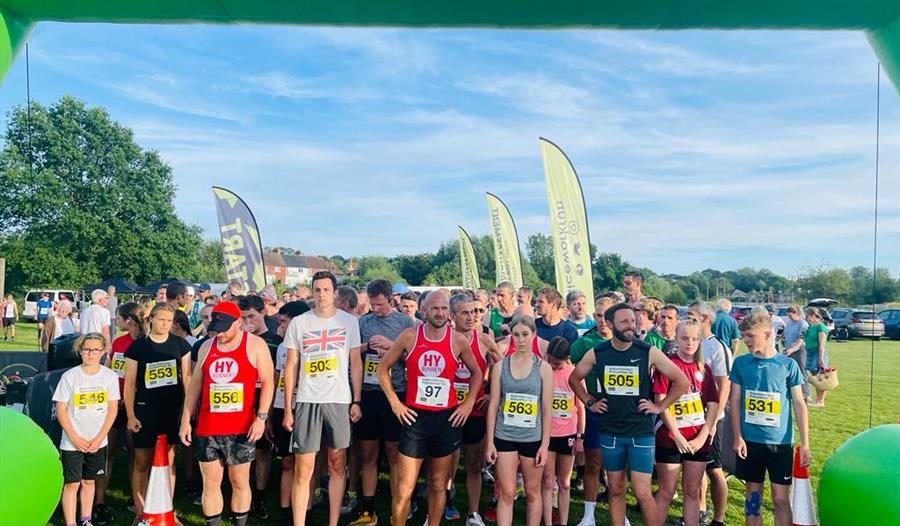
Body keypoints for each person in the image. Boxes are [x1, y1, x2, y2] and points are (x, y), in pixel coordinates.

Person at [568, 303, 689, 526]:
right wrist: (590, 402)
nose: (630, 326)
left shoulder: (647, 351)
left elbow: (681, 381)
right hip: (610, 430)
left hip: (640, 431)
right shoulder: (598, 352)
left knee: (642, 491)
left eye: (633, 321)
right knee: (615, 488)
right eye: (624, 322)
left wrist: (659, 407)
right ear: (611, 323)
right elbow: (574, 379)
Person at [376, 290, 483, 526]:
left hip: (446, 419)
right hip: (415, 417)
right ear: (424, 310)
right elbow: (382, 369)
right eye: (435, 308)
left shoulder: (458, 340)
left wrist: (467, 405)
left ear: (450, 312)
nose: (440, 313)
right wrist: (395, 402)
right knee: (405, 487)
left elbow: (477, 372)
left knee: (437, 483)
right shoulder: (409, 336)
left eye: (444, 308)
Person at [179, 301, 275, 526]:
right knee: (210, 482)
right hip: (208, 425)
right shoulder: (206, 346)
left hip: (241, 426)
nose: (219, 334)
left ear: (239, 323)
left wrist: (261, 418)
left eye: (224, 329)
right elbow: (195, 385)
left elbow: (269, 381)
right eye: (216, 330)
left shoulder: (255, 345)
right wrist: (185, 419)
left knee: (239, 481)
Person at [282, 271, 363, 526]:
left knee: (337, 464)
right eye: (317, 290)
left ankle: (333, 521)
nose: (322, 295)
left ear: (335, 293)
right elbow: (291, 365)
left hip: (339, 399)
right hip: (307, 399)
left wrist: (357, 400)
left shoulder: (349, 323)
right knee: (303, 468)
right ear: (312, 292)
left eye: (326, 290)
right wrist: (287, 408)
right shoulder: (300, 323)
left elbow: (355, 363)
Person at [349, 279, 418, 526]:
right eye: (373, 304)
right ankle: (368, 510)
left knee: (394, 453)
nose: (376, 308)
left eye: (380, 304)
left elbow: (415, 357)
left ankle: (398, 507)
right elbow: (352, 353)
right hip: (369, 392)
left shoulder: (405, 323)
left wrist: (392, 348)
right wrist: (368, 346)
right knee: (368, 452)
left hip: (396, 393)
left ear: (391, 300)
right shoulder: (362, 322)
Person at [730, 312, 810, 526]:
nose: (745, 340)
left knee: (780, 499)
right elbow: (735, 402)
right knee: (753, 497)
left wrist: (805, 444)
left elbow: (800, 404)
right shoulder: (740, 364)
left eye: (749, 336)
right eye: (743, 336)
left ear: (767, 334)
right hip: (750, 442)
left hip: (780, 443)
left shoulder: (787, 365)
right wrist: (738, 436)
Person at [123, 303, 192, 520]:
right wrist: (131, 414)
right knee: (142, 460)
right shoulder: (137, 348)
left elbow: (187, 380)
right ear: (151, 319)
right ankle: (140, 510)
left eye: (169, 321)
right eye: (161, 319)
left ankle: (167, 510)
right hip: (145, 409)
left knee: (168, 460)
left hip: (172, 409)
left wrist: (188, 413)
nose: (165, 324)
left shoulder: (181, 345)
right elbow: (130, 383)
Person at [484, 315, 552, 526]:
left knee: (532, 492)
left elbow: (547, 410)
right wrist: (489, 442)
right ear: (510, 336)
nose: (521, 339)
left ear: (533, 335)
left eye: (525, 334)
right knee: (507, 492)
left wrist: (544, 446)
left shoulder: (543, 368)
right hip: (505, 435)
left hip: (532, 437)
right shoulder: (500, 367)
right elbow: (494, 405)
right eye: (516, 335)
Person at [653, 319, 719, 526]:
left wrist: (703, 436)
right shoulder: (668, 366)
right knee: (667, 490)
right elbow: (660, 402)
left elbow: (713, 405)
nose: (689, 343)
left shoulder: (704, 369)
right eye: (684, 338)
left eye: (694, 338)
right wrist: (678, 436)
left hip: (698, 440)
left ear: (700, 340)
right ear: (676, 338)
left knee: (692, 490)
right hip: (670, 438)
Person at [53, 333, 120, 526]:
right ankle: (70, 522)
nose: (90, 354)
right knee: (72, 483)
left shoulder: (109, 377)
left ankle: (86, 518)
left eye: (95, 350)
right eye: (86, 349)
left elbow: (112, 409)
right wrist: (74, 437)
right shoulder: (70, 377)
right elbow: (61, 410)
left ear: (103, 352)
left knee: (89, 481)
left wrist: (100, 438)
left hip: (97, 441)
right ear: (79, 351)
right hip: (72, 441)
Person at [446, 293, 501, 526]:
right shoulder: (444, 338)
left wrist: (491, 393)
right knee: (445, 463)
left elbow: (504, 370)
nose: (471, 317)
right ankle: (444, 504)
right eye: (465, 313)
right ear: (452, 316)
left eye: (474, 312)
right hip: (447, 410)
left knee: (473, 465)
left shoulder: (485, 340)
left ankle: (473, 512)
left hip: (475, 411)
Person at [94, 303, 145, 525]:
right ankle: (98, 502)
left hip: (138, 405)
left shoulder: (146, 343)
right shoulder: (118, 342)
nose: (117, 322)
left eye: (119, 318)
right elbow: (109, 370)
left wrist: (130, 398)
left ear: (129, 321)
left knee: (138, 454)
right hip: (115, 404)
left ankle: (138, 502)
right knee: (107, 452)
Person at [685, 302, 731, 526]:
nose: (687, 318)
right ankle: (700, 509)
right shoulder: (691, 343)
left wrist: (713, 422)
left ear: (704, 318)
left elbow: (725, 386)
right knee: (695, 468)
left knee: (715, 469)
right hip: (690, 417)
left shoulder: (718, 347)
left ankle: (719, 518)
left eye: (691, 315)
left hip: (711, 419)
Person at [570, 296, 615, 526]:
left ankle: (621, 514)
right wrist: (588, 401)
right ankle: (589, 515)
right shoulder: (585, 342)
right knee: (593, 463)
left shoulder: (628, 341)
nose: (602, 321)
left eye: (607, 315)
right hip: (597, 411)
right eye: (598, 315)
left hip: (622, 413)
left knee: (618, 466)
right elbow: (568, 369)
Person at [267, 300, 311, 524]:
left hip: (305, 406)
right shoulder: (283, 347)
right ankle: (285, 511)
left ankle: (305, 509)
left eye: (284, 322)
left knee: (305, 464)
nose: (280, 328)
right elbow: (276, 378)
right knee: (287, 462)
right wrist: (268, 413)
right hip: (280, 407)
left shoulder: (312, 344)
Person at [542, 338, 584, 526]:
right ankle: (548, 521)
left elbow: (581, 408)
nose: (553, 365)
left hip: (568, 433)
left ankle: (564, 521)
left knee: (564, 482)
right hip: (547, 434)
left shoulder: (573, 375)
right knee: (548, 481)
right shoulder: (543, 371)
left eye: (557, 363)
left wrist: (580, 437)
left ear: (567, 358)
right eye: (550, 360)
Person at [786, 308, 829, 407]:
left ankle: (820, 401)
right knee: (815, 377)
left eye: (807, 315)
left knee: (821, 377)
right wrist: (792, 348)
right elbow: (801, 338)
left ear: (813, 315)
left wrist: (820, 358)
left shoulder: (821, 327)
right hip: (809, 353)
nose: (806, 318)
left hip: (817, 353)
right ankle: (817, 399)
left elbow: (822, 345)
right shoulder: (809, 327)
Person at [781, 306, 810, 399]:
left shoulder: (803, 324)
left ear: (796, 313)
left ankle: (806, 394)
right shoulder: (790, 322)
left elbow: (801, 339)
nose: (789, 317)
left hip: (800, 350)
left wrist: (792, 349)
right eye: (788, 315)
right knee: (789, 371)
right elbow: (785, 333)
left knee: (801, 371)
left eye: (791, 315)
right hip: (789, 349)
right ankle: (791, 392)